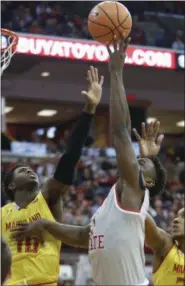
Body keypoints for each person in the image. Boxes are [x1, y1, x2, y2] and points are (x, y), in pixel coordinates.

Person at [12, 38, 167, 286]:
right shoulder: (111, 205)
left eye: (144, 164)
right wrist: (45, 224)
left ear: (146, 181)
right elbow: (85, 235)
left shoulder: (134, 192)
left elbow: (120, 132)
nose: (137, 160)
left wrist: (116, 72)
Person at [1, 66, 104, 286]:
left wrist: (89, 110)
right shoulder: (2, 215)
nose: (29, 169)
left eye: (30, 169)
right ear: (11, 186)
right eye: (21, 170)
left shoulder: (48, 197)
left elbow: (68, 159)